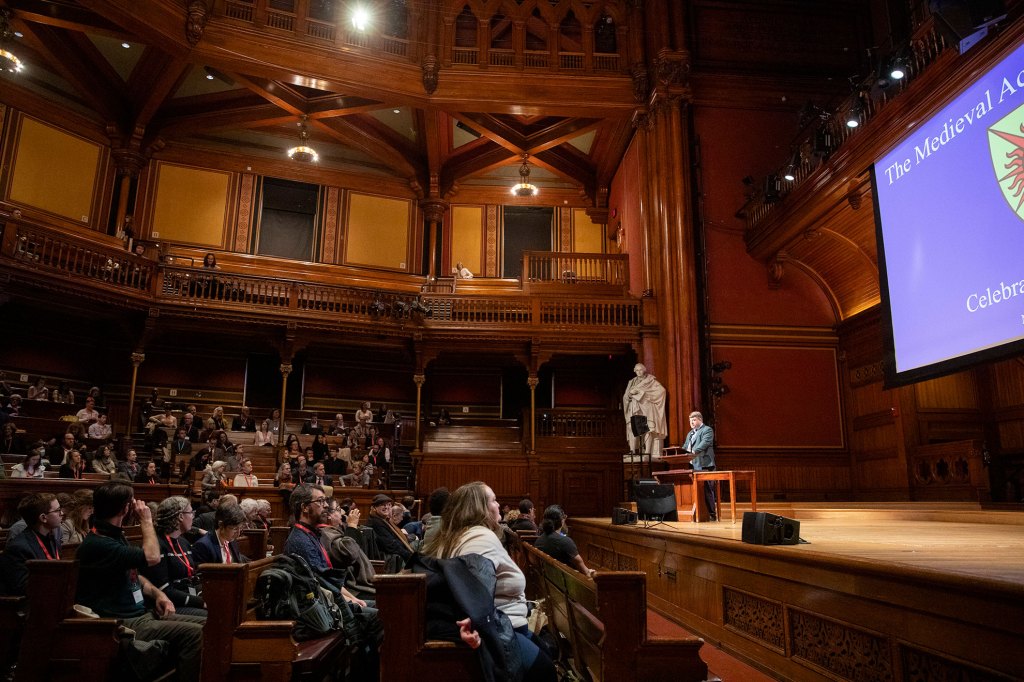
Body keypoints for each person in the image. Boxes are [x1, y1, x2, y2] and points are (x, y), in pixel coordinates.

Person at [421, 481, 556, 682]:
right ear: (479, 508)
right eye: (493, 500)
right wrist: (473, 617)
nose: (499, 504)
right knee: (545, 670)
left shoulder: (460, 535)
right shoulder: (479, 537)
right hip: (500, 630)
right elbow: (475, 579)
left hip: (505, 625)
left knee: (546, 652)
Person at [75, 482, 205, 682]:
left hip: (142, 614)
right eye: (132, 502)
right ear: (125, 508)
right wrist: (146, 520)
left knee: (208, 623)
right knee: (195, 633)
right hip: (121, 621)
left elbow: (134, 573)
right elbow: (152, 557)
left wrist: (157, 593)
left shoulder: (113, 536)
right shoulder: (99, 544)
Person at [145, 496, 206, 616]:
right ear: (180, 516)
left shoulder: (183, 542)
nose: (193, 516)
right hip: (171, 605)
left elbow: (192, 577)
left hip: (188, 597)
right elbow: (165, 589)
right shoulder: (158, 545)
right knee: (213, 615)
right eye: (191, 512)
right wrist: (200, 602)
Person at [0, 493, 63, 595]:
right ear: (43, 518)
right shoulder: (18, 548)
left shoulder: (51, 539)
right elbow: (22, 588)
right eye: (58, 510)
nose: (62, 513)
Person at [534, 505, 596, 577]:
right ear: (562, 521)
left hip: (548, 579)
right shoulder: (565, 542)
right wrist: (591, 573)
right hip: (565, 581)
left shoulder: (539, 540)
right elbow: (585, 572)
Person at [622, 362, 668, 458]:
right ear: (634, 371)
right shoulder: (632, 382)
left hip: (646, 407)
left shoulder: (650, 380)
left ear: (644, 370)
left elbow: (662, 391)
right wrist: (630, 395)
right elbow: (626, 396)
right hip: (635, 408)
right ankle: (633, 451)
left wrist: (643, 393)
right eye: (637, 370)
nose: (639, 372)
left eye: (641, 370)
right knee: (633, 428)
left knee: (648, 429)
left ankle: (647, 452)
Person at [682, 410, 717, 521]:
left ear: (700, 420)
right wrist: (679, 453)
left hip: (705, 464)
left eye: (694, 420)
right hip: (694, 465)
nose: (691, 423)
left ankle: (712, 514)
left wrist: (692, 452)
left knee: (707, 489)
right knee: (696, 490)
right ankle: (698, 513)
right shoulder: (690, 433)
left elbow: (704, 443)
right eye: (690, 421)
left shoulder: (707, 430)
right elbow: (685, 446)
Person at [365, 493, 415, 562]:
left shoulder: (383, 520)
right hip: (388, 558)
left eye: (388, 505)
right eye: (382, 505)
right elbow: (390, 545)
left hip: (397, 552)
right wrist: (410, 556)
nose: (386, 507)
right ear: (374, 508)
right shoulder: (376, 522)